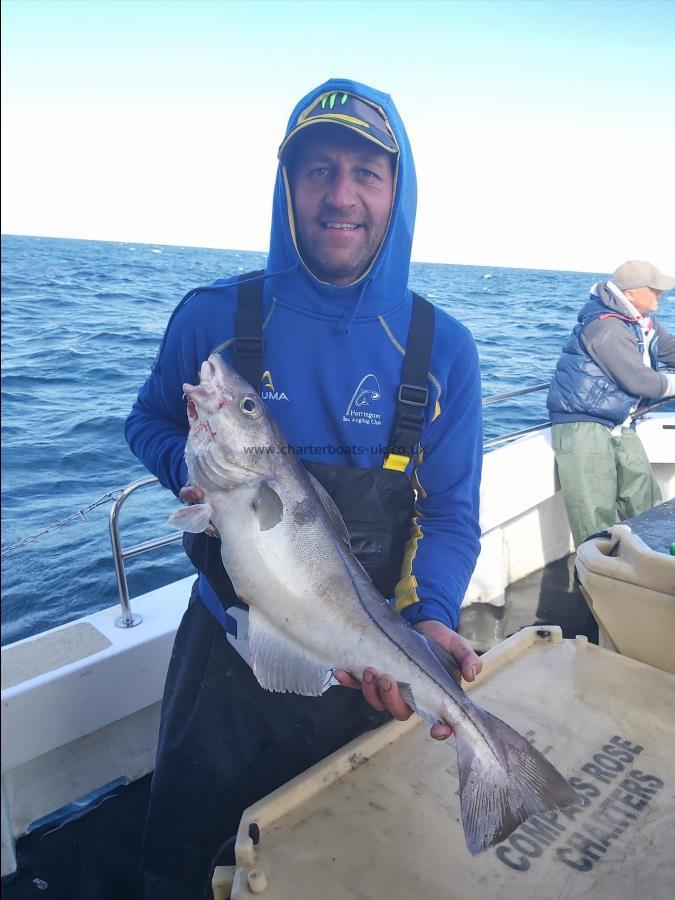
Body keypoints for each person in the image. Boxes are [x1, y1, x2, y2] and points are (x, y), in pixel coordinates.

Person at [125, 78, 484, 900]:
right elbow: (146, 421)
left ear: (400, 189)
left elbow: (451, 511)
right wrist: (194, 471)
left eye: (366, 171)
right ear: (287, 185)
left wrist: (429, 617)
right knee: (187, 865)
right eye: (317, 170)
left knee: (347, 868)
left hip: (364, 666)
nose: (340, 195)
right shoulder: (209, 318)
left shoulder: (442, 350)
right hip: (223, 649)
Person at [547, 259, 675, 547]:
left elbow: (671, 350)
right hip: (582, 424)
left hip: (619, 420)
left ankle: (652, 570)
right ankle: (597, 582)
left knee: (645, 499)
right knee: (595, 513)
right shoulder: (606, 327)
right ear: (629, 293)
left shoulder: (644, 325)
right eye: (653, 289)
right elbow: (639, 381)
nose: (660, 294)